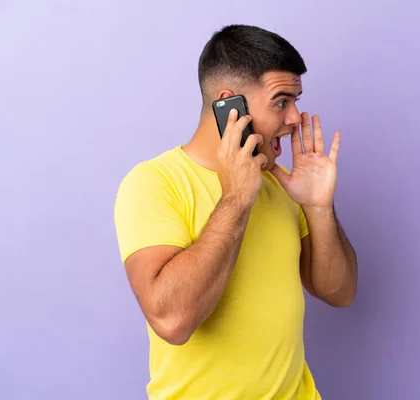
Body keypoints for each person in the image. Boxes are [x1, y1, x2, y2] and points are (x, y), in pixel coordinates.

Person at [113, 24, 358, 400]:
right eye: (281, 101)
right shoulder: (154, 182)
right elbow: (173, 321)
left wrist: (318, 208)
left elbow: (339, 292)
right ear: (229, 106)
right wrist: (237, 198)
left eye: (296, 101)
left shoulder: (283, 185)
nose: (295, 118)